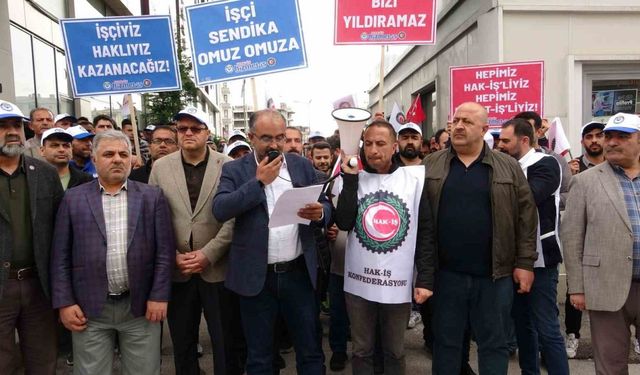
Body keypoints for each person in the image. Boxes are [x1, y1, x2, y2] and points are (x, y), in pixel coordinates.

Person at [423, 102, 537, 374]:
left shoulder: (507, 166)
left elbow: (526, 217)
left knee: (494, 344)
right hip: (446, 276)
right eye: (456, 120)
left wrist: (525, 263)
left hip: (494, 277)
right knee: (447, 345)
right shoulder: (431, 165)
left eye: (467, 121)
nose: (459, 126)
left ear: (485, 129)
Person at [213, 109, 330, 375]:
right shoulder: (234, 169)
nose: (275, 145)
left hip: (298, 274)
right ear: (252, 137)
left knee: (310, 351)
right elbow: (220, 209)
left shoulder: (300, 165)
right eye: (267, 138)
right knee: (260, 357)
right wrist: (258, 182)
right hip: (256, 279)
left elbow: (324, 204)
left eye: (280, 137)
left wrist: (320, 213)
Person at [51, 130, 175, 375]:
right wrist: (65, 303)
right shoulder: (73, 199)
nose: (117, 159)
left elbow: (164, 252)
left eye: (123, 154)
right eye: (108, 154)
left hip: (140, 307)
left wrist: (159, 295)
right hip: (89, 309)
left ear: (131, 159)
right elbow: (60, 257)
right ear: (94, 160)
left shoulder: (152, 197)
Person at [335, 118, 434, 375]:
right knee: (361, 350)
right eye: (368, 143)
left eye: (381, 143)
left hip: (396, 284)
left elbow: (424, 232)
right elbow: (344, 222)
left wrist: (424, 278)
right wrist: (350, 181)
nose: (373, 150)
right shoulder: (353, 177)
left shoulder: (414, 180)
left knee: (394, 350)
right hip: (359, 283)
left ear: (394, 147)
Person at [149, 107, 244, 375]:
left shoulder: (228, 166)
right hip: (178, 271)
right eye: (182, 128)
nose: (188, 133)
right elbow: (154, 217)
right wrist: (172, 255)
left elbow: (236, 217)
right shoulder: (160, 168)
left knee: (225, 342)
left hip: (218, 268)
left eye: (195, 128)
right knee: (183, 344)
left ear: (207, 133)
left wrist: (209, 253)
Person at [563, 112, 640, 374]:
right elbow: (572, 236)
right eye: (609, 136)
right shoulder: (584, 181)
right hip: (606, 285)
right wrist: (577, 287)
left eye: (623, 136)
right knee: (610, 365)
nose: (612, 142)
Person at [497, 118, 569, 374]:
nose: (500, 145)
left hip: (541, 260)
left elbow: (526, 198)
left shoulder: (546, 164)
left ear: (524, 140)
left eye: (506, 141)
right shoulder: (507, 166)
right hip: (512, 260)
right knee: (522, 326)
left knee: (547, 328)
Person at [0, 100, 63, 374]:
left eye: (16, 125)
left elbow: (62, 232)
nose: (12, 131)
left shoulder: (46, 174)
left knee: (43, 361)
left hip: (39, 285)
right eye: (2, 126)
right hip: (2, 286)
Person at [563, 120, 606, 358]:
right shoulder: (573, 167)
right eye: (589, 136)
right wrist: (571, 180)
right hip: (583, 237)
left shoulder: (618, 166)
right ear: (583, 141)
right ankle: (573, 335)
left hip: (610, 237)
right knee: (576, 288)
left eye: (599, 135)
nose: (594, 140)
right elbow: (560, 201)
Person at [514, 112, 572, 209]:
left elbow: (569, 194)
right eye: (519, 131)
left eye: (527, 130)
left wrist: (544, 200)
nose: (523, 135)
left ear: (539, 132)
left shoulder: (556, 159)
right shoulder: (509, 158)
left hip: (547, 222)